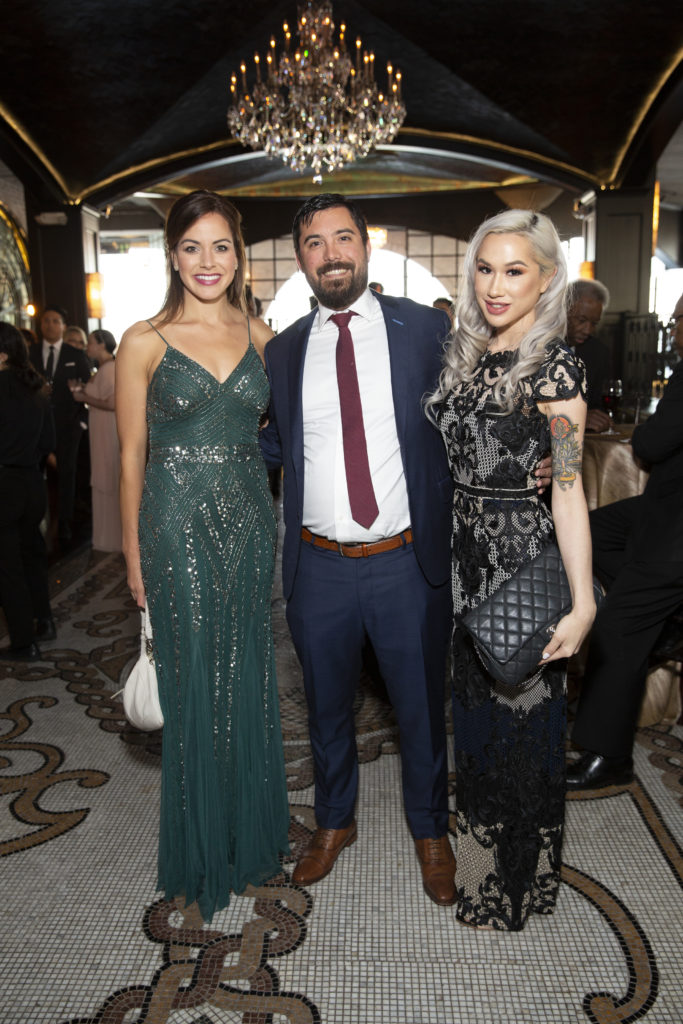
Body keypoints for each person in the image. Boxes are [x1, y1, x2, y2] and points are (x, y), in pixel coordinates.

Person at [260, 194, 552, 906]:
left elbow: (483, 399)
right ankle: (334, 821)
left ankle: (429, 829)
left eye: (343, 237)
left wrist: (538, 451)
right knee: (325, 707)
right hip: (316, 565)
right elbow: (273, 443)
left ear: (367, 246)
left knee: (420, 707)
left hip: (404, 561)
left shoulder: (425, 328)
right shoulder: (284, 349)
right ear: (300, 259)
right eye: (314, 243)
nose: (331, 253)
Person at [116, 190, 290, 921]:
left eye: (220, 247)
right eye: (192, 247)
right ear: (172, 255)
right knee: (192, 683)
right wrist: (132, 557)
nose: (207, 262)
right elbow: (131, 458)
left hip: (249, 523)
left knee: (244, 673)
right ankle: (199, 850)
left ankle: (247, 838)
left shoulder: (263, 336)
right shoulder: (144, 340)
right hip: (174, 527)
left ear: (238, 255)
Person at [427, 209, 596, 930]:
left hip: (521, 563)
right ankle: (481, 873)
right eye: (485, 269)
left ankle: (519, 887)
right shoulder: (467, 354)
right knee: (475, 728)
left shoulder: (556, 368)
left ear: (547, 278)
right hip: (463, 561)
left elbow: (568, 487)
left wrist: (583, 604)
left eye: (514, 271)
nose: (495, 287)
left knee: (523, 732)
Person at [567, 297, 683, 790]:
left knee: (616, 629)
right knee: (587, 532)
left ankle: (607, 756)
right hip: (659, 511)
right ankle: (670, 617)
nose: (672, 328)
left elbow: (650, 444)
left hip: (675, 530)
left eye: (678, 320)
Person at [0, 322, 56, 660]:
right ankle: (44, 622)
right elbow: (48, 442)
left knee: (8, 567)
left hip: (4, 486)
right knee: (32, 555)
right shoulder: (36, 388)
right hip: (33, 484)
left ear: (2, 355)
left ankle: (23, 643)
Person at [28, 306, 91, 549]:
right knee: (34, 474)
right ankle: (34, 522)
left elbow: (87, 387)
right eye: (46, 320)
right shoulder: (30, 352)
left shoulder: (74, 354)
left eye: (56, 321)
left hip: (68, 425)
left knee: (67, 474)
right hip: (36, 425)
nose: (50, 325)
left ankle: (64, 521)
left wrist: (81, 422)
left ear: (63, 326)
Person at [70, 330, 122, 552]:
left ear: (102, 344)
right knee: (103, 475)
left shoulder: (110, 369)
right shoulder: (103, 368)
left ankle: (113, 538)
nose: (87, 347)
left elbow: (112, 403)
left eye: (90, 343)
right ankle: (105, 536)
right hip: (100, 428)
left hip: (108, 429)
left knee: (108, 476)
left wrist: (83, 397)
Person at [566, 279, 612, 433]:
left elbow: (597, 405)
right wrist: (576, 419)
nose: (588, 330)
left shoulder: (598, 353)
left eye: (594, 324)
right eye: (581, 320)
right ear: (562, 310)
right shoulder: (537, 347)